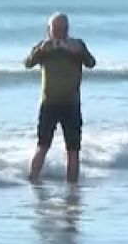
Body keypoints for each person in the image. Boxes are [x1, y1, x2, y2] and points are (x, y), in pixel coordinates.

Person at [25, 13, 96, 184]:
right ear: (48, 29)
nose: (59, 32)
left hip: (71, 104)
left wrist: (79, 52)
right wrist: (41, 50)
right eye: (55, 28)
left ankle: (73, 188)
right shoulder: (43, 47)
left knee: (73, 149)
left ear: (67, 29)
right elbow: (28, 63)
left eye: (62, 28)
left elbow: (91, 63)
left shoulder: (77, 44)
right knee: (43, 145)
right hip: (49, 103)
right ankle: (32, 182)